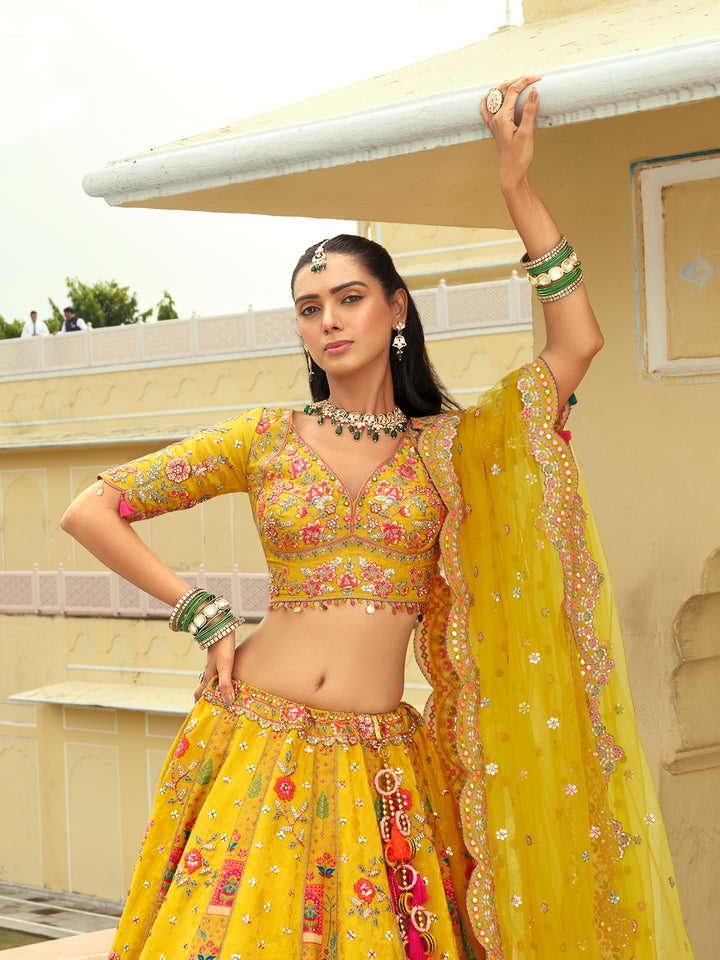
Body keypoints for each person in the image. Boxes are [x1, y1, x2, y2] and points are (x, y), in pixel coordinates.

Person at [61, 76, 694, 959]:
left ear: (397, 308)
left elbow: (575, 343)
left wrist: (518, 189)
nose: (328, 320)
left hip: (382, 769)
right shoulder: (266, 438)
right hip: (255, 745)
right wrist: (201, 614)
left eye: (349, 298)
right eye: (310, 308)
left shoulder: (452, 449)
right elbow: (93, 508)